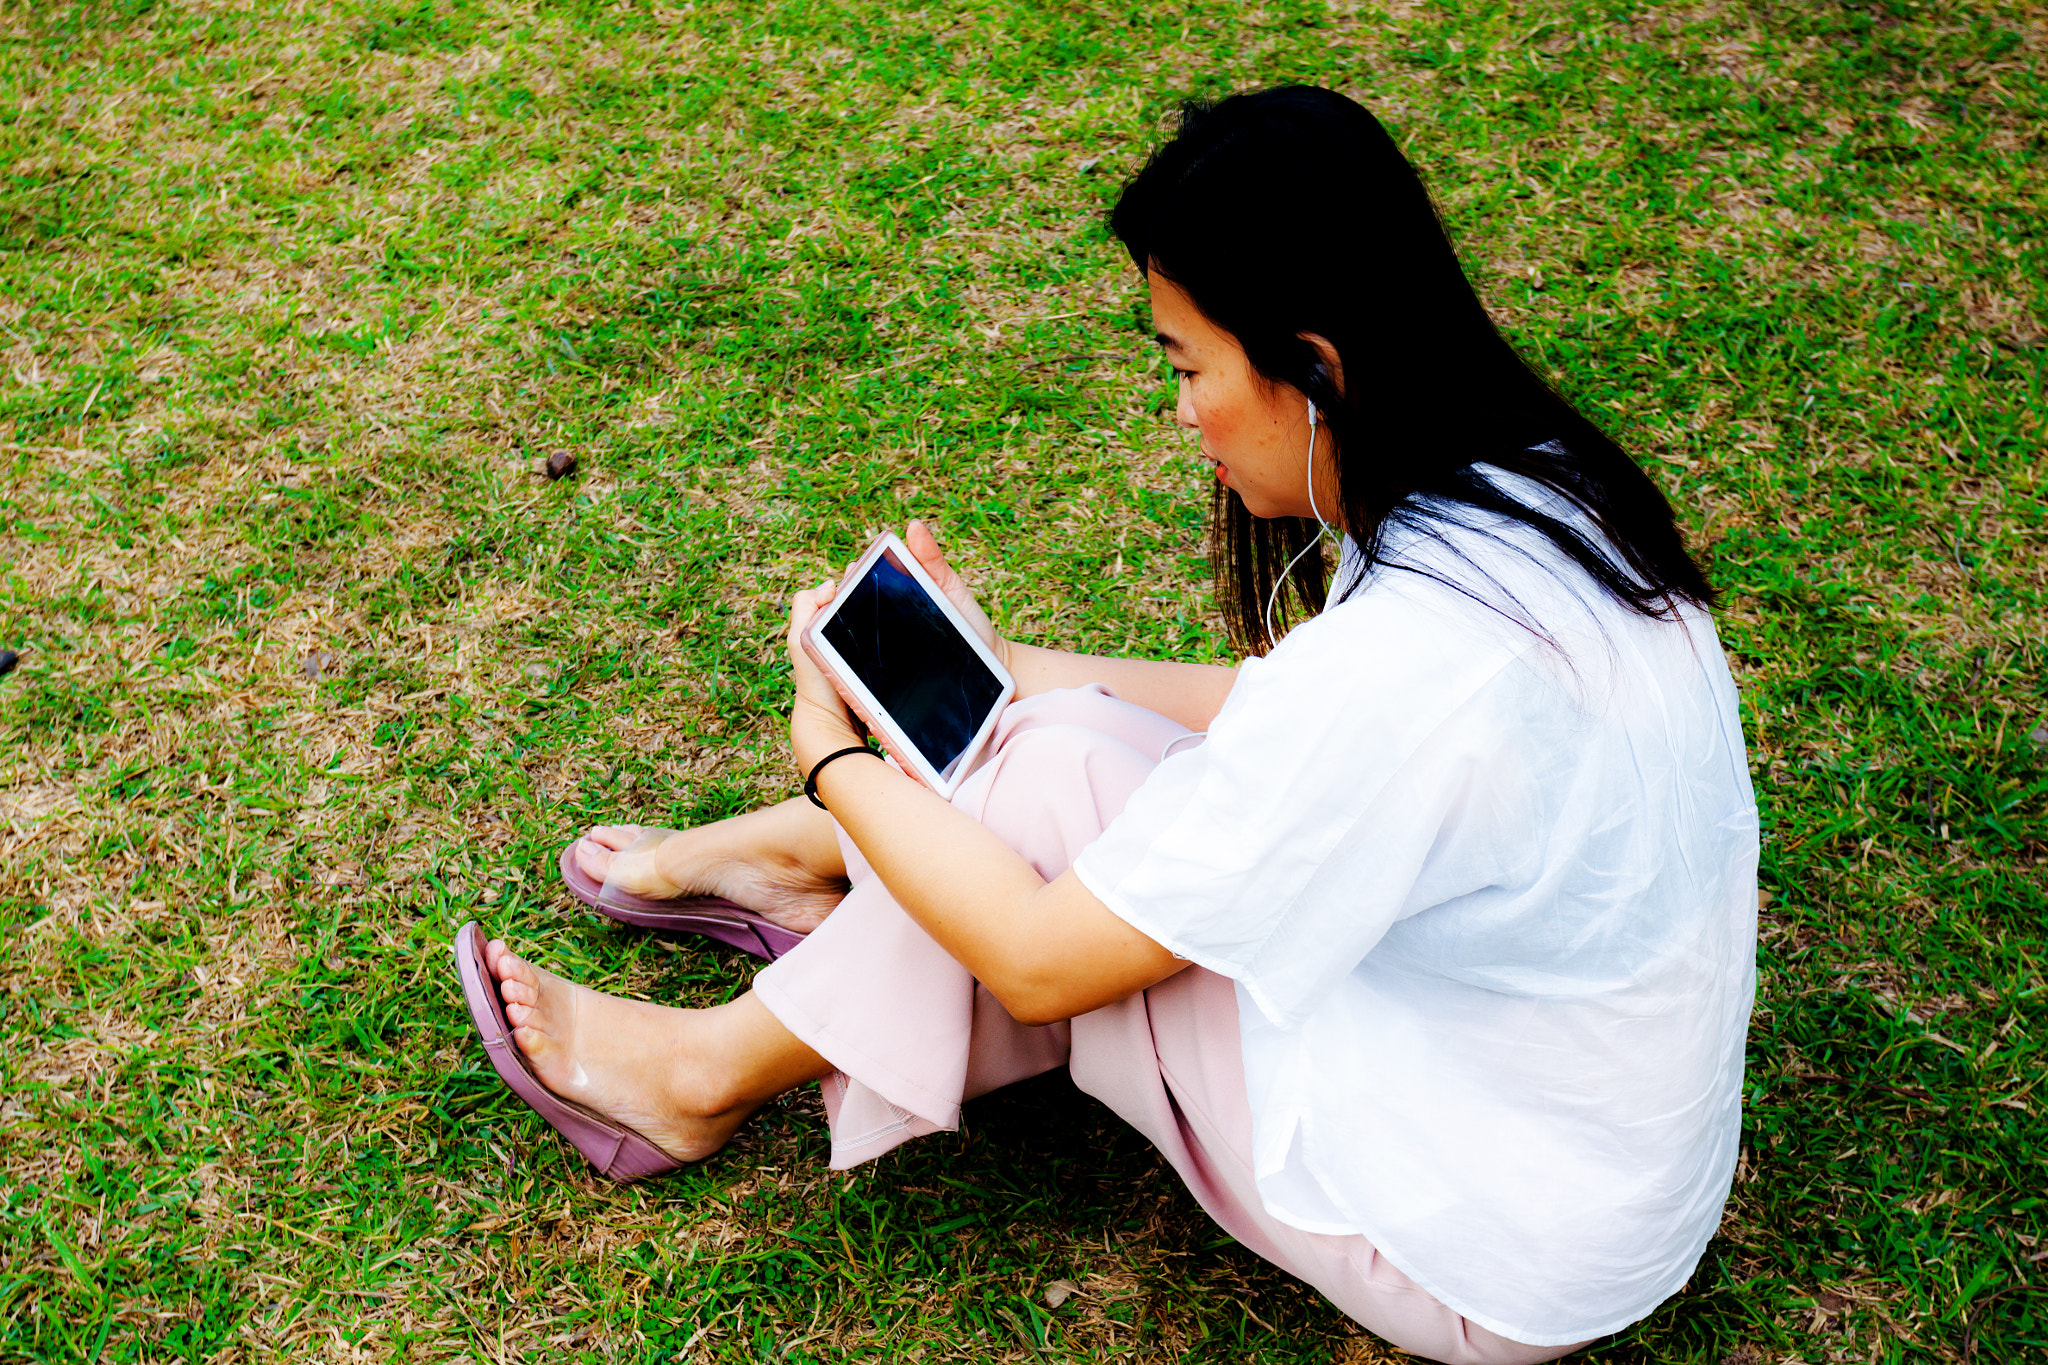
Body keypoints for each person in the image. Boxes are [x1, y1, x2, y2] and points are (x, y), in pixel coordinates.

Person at [450, 85, 1758, 1364]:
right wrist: (1018, 665)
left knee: (1044, 793)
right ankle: (815, 867)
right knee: (1056, 739)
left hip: (1485, 1247)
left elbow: (1036, 960)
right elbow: (1272, 710)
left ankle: (705, 1063)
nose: (1182, 412)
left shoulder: (1404, 674)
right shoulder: (1528, 488)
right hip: (1572, 1146)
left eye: (1191, 365)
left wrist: (839, 762)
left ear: (1317, 367)